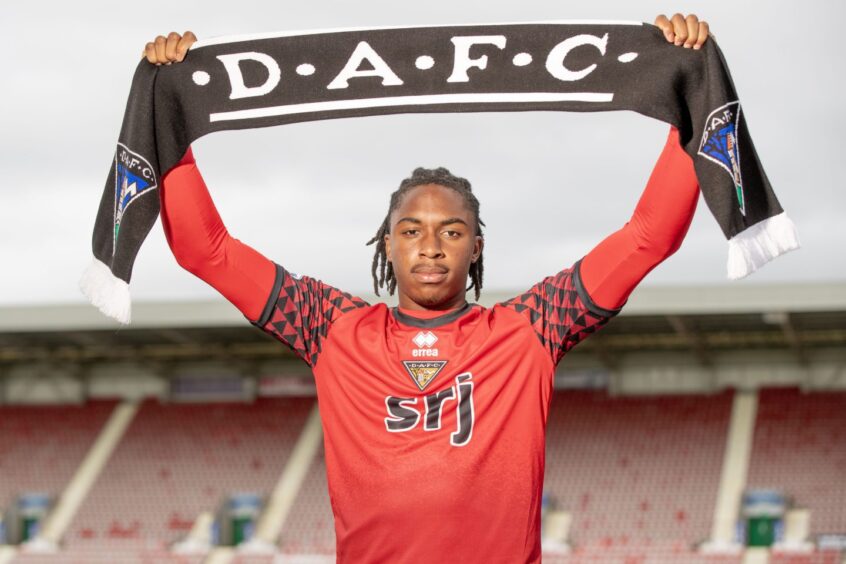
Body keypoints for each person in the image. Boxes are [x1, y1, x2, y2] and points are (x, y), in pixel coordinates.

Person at [147, 14, 710, 563]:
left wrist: (686, 93)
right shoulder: (331, 328)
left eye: (452, 231)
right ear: (387, 245)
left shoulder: (531, 328)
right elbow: (207, 251)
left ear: (476, 247)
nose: (431, 246)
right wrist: (169, 113)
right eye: (411, 231)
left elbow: (648, 237)